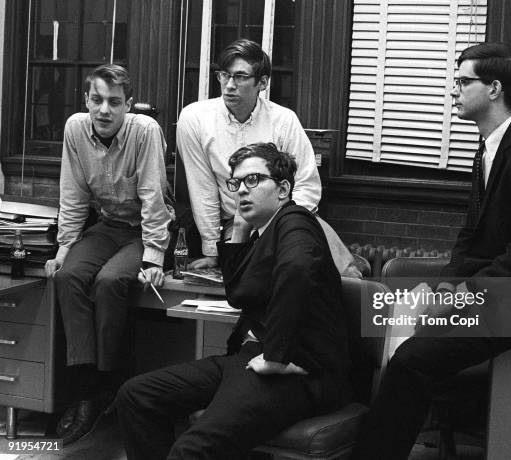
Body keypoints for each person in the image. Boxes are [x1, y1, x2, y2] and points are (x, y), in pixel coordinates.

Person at [352, 42, 511, 459]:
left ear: (494, 88)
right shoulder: (490, 148)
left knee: (411, 360)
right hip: (506, 290)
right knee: (368, 325)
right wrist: (444, 286)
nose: (453, 90)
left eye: (462, 81)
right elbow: (473, 240)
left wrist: (462, 295)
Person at [116, 142, 351, 460]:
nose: (241, 190)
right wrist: (239, 230)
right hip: (252, 359)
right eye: (236, 182)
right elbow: (239, 293)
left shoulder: (296, 221)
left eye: (253, 180)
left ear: (283, 189)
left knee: (192, 449)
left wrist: (276, 357)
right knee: (136, 395)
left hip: (302, 374)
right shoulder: (264, 231)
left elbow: (297, 270)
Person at [45, 64, 172, 445]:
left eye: (114, 102)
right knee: (68, 276)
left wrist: (153, 257)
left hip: (142, 230)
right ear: (86, 100)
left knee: (112, 280)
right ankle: (87, 391)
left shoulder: (145, 132)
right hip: (106, 226)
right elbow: (73, 193)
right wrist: (65, 246)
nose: (104, 110)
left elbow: (154, 197)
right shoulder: (74, 129)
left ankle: (108, 383)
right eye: (97, 100)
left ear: (128, 105)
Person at [176, 38, 321, 269]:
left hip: (287, 221)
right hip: (237, 224)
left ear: (262, 82)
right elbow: (203, 190)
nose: (229, 85)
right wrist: (213, 251)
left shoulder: (284, 120)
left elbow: (307, 186)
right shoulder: (194, 119)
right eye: (224, 75)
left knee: (344, 270)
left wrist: (282, 227)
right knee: (255, 279)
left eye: (240, 77)